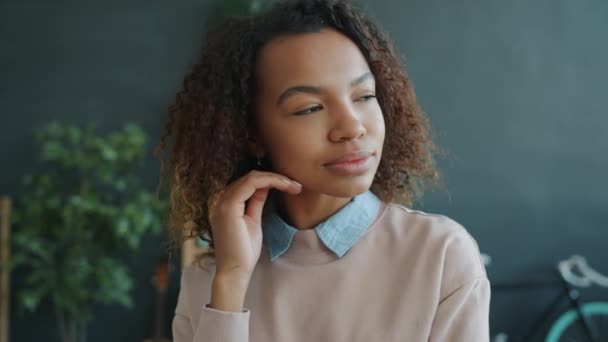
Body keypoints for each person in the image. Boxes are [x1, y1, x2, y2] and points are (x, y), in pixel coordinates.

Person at [156, 0, 490, 341]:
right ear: (252, 134)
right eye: (311, 107)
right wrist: (231, 282)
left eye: (364, 96)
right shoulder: (211, 276)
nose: (352, 127)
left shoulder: (441, 256)